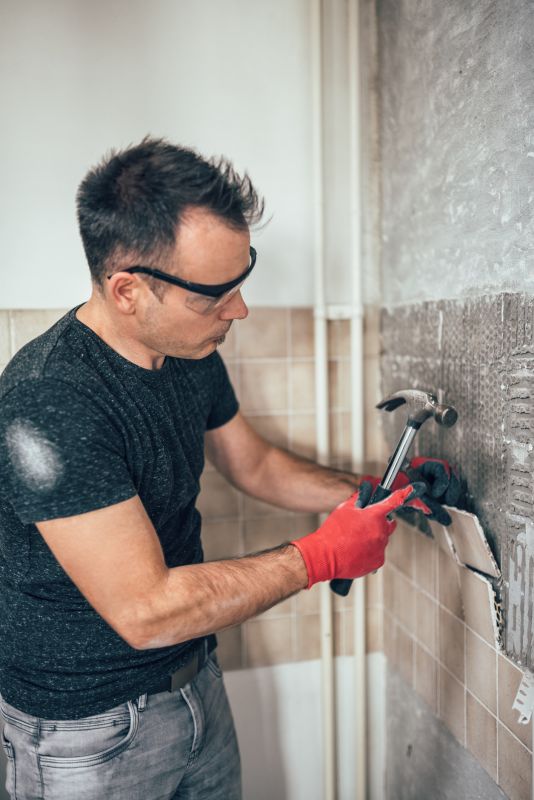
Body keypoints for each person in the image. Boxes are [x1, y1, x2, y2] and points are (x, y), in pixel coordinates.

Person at [0, 137, 459, 800]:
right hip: (85, 737)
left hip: (194, 684)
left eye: (241, 282)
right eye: (214, 295)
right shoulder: (48, 403)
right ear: (127, 289)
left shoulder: (185, 348)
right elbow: (145, 609)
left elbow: (255, 464)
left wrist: (379, 496)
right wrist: (320, 556)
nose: (238, 310)